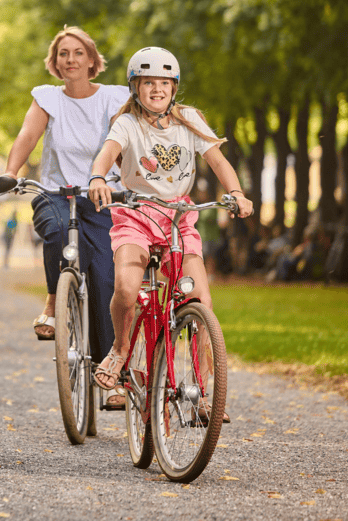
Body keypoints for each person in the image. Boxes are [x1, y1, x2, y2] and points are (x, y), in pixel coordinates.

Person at [88, 46, 253, 422]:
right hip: (135, 214)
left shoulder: (190, 120)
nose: (157, 90)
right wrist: (99, 176)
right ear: (135, 88)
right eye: (148, 83)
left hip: (179, 218)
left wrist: (237, 193)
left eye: (164, 82)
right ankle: (119, 348)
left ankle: (201, 392)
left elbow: (218, 161)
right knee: (128, 288)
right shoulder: (128, 124)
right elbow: (107, 153)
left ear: (174, 87)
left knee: (201, 301)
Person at [0, 26, 128, 368]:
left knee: (104, 279)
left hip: (103, 197)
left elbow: (121, 141)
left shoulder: (113, 97)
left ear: (91, 60)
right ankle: (54, 297)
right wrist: (12, 172)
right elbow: (28, 135)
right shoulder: (48, 97)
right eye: (63, 54)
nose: (70, 59)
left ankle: (107, 368)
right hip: (56, 193)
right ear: (55, 62)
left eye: (78, 53)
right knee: (55, 232)